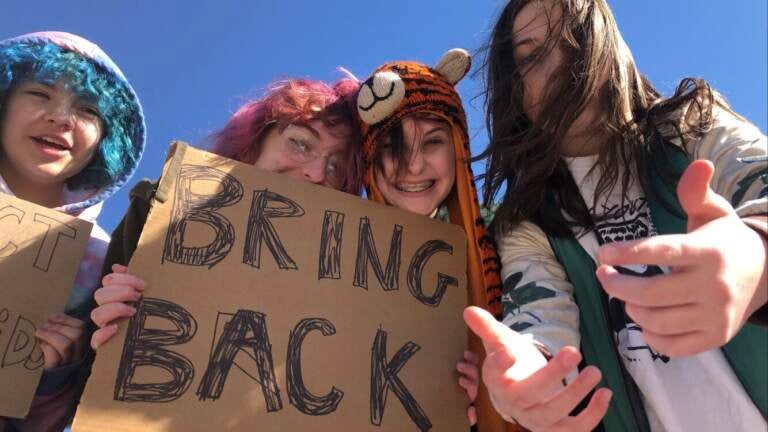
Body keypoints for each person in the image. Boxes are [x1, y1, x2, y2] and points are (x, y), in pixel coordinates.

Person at [464, 1, 768, 431]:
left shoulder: (693, 125)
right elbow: (539, 321)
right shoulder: (527, 222)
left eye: (573, 41)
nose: (559, 65)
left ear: (610, 46)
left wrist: (756, 252)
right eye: (530, 55)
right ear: (516, 91)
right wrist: (529, 374)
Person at [89, 77, 363, 348]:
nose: (315, 174)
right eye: (301, 144)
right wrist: (94, 344)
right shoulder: (157, 211)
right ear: (254, 143)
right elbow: (83, 365)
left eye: (335, 168)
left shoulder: (349, 283)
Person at [356, 48, 513, 431]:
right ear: (369, 157)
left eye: (432, 142)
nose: (413, 165)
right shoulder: (339, 254)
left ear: (459, 147)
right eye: (392, 144)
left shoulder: (506, 233)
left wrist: (505, 382)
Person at [0, 31, 145, 431]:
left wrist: (52, 376)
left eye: (87, 109)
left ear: (105, 139)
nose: (62, 117)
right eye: (40, 93)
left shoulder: (104, 262)